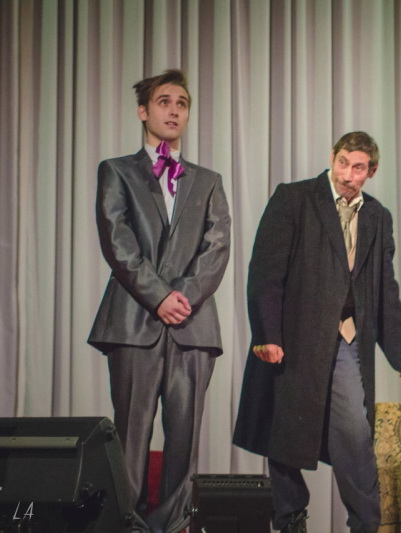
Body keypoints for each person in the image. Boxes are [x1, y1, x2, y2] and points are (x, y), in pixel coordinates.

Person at [233, 131, 401, 533]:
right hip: (294, 335)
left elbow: (385, 290)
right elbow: (265, 271)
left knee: (354, 431)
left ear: (372, 171)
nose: (348, 175)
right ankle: (290, 519)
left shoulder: (377, 216)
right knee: (285, 428)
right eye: (343, 163)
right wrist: (267, 334)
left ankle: (366, 525)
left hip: (346, 336)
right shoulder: (295, 198)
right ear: (333, 158)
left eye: (358, 168)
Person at [88, 69, 231, 533]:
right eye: (164, 101)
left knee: (184, 440)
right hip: (134, 322)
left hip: (192, 326)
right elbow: (117, 241)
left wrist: (180, 297)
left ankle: (172, 526)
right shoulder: (116, 171)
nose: (174, 110)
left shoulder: (208, 180)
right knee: (130, 435)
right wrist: (158, 297)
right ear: (143, 111)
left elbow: (217, 247)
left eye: (182, 103)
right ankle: (127, 524)